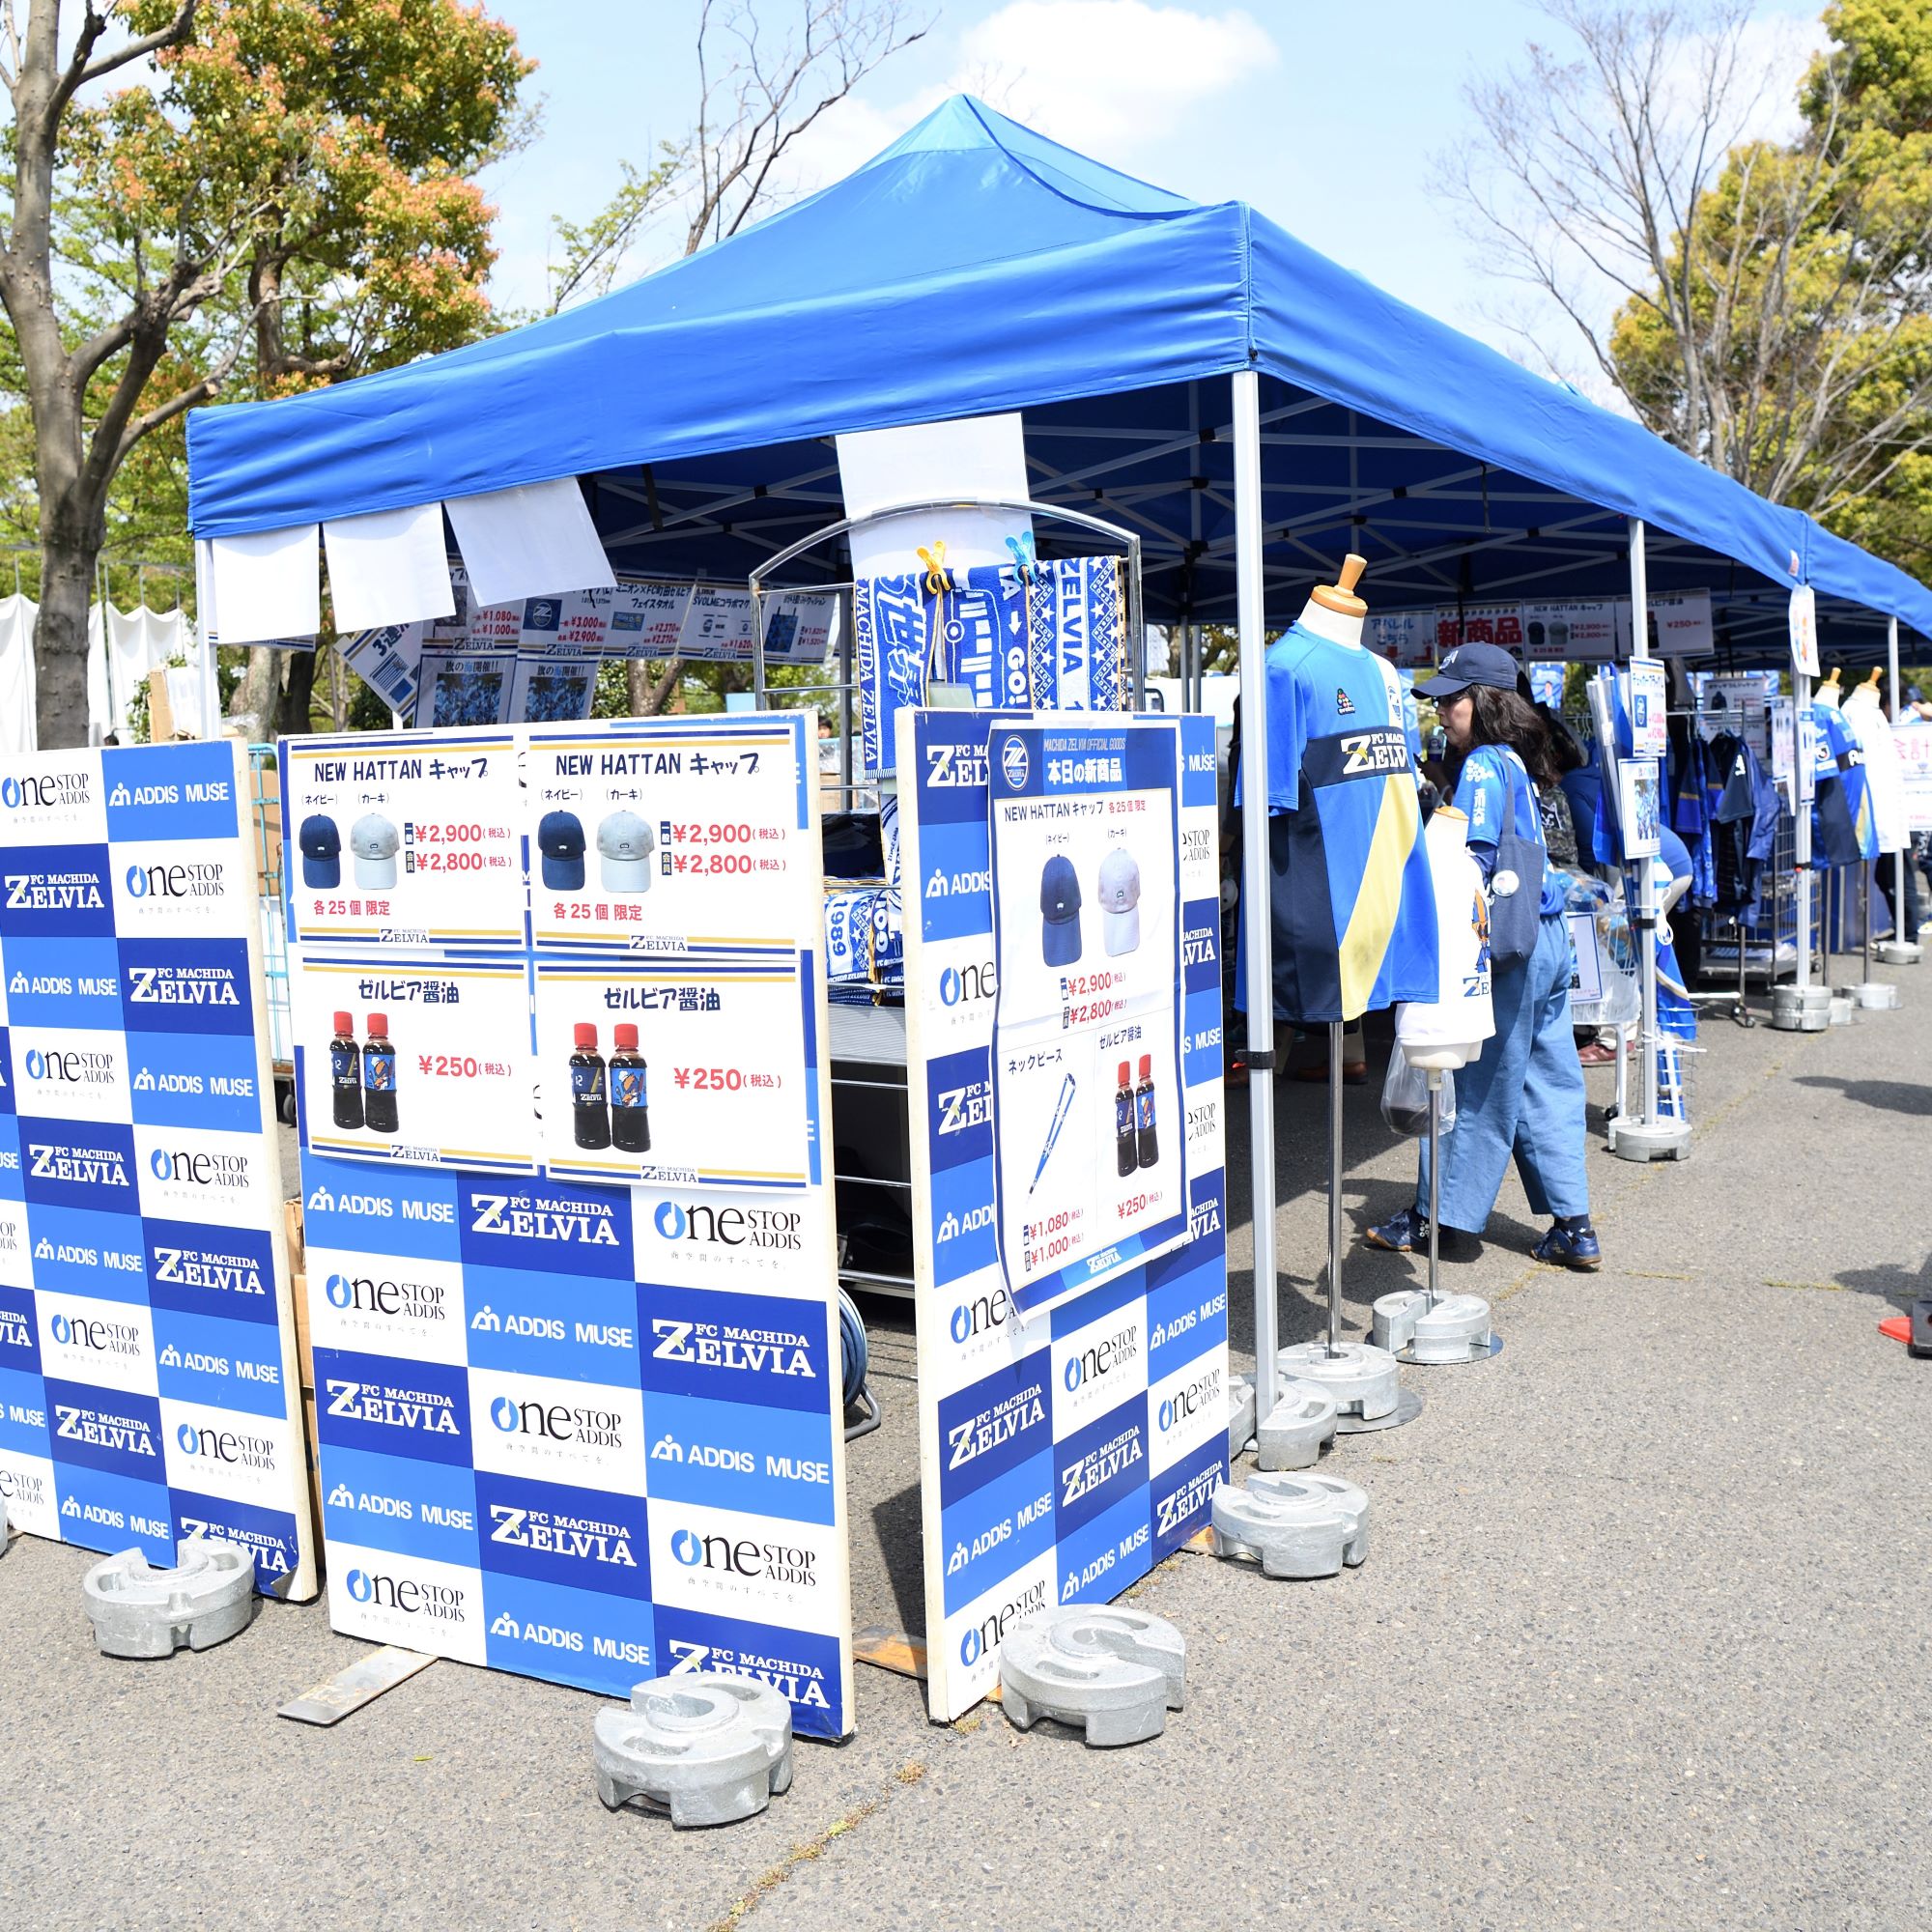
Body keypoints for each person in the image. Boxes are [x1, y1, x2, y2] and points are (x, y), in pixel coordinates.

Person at [1367, 641, 1600, 1269]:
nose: (1442, 710)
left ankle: (1434, 1218)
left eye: (1452, 697)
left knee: (1468, 1080)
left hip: (1504, 946)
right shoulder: (1520, 762)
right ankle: (1574, 1226)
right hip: (1545, 938)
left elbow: (1466, 864)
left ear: (1486, 700)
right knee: (1547, 1080)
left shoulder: (1480, 768)